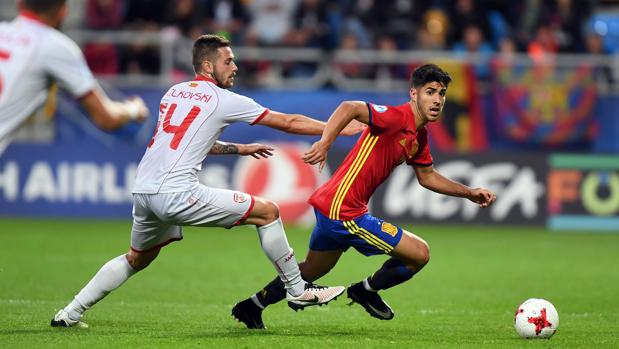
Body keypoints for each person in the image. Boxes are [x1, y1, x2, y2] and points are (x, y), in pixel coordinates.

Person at [50, 34, 363, 328]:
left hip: (144, 190)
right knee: (267, 212)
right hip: (176, 192)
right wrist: (333, 129)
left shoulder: (173, 93)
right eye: (228, 61)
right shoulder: (223, 99)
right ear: (208, 66)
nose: (235, 67)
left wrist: (239, 148)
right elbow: (289, 122)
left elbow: (187, 140)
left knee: (136, 258)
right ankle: (297, 289)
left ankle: (69, 312)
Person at [232, 64, 497, 329]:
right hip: (344, 212)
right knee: (419, 254)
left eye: (442, 93)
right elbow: (350, 106)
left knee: (311, 270)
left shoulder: (419, 135)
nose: (437, 100)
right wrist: (325, 142)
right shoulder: (395, 117)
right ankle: (365, 290)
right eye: (430, 92)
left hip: (332, 207)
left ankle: (252, 306)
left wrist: (469, 193)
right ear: (413, 94)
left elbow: (427, 176)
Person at [0, 0, 149, 155]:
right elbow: (106, 117)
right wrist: (133, 109)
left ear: (19, 4)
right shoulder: (56, 46)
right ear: (64, 11)